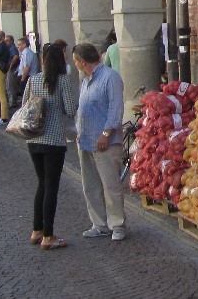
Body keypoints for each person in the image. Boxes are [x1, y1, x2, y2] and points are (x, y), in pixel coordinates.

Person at [73, 42, 127, 241]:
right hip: (86, 140)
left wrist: (106, 133)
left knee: (110, 184)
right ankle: (99, 223)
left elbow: (115, 108)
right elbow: (82, 109)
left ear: (82, 61)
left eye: (75, 61)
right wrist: (79, 131)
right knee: (91, 185)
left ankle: (117, 224)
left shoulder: (110, 77)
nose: (75, 64)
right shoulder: (85, 80)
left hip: (105, 141)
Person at [27, 44, 78, 250]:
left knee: (41, 184)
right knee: (51, 187)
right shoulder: (63, 81)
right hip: (54, 139)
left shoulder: (34, 79)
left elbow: (26, 103)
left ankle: (36, 229)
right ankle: (48, 235)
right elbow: (69, 108)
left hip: (34, 138)